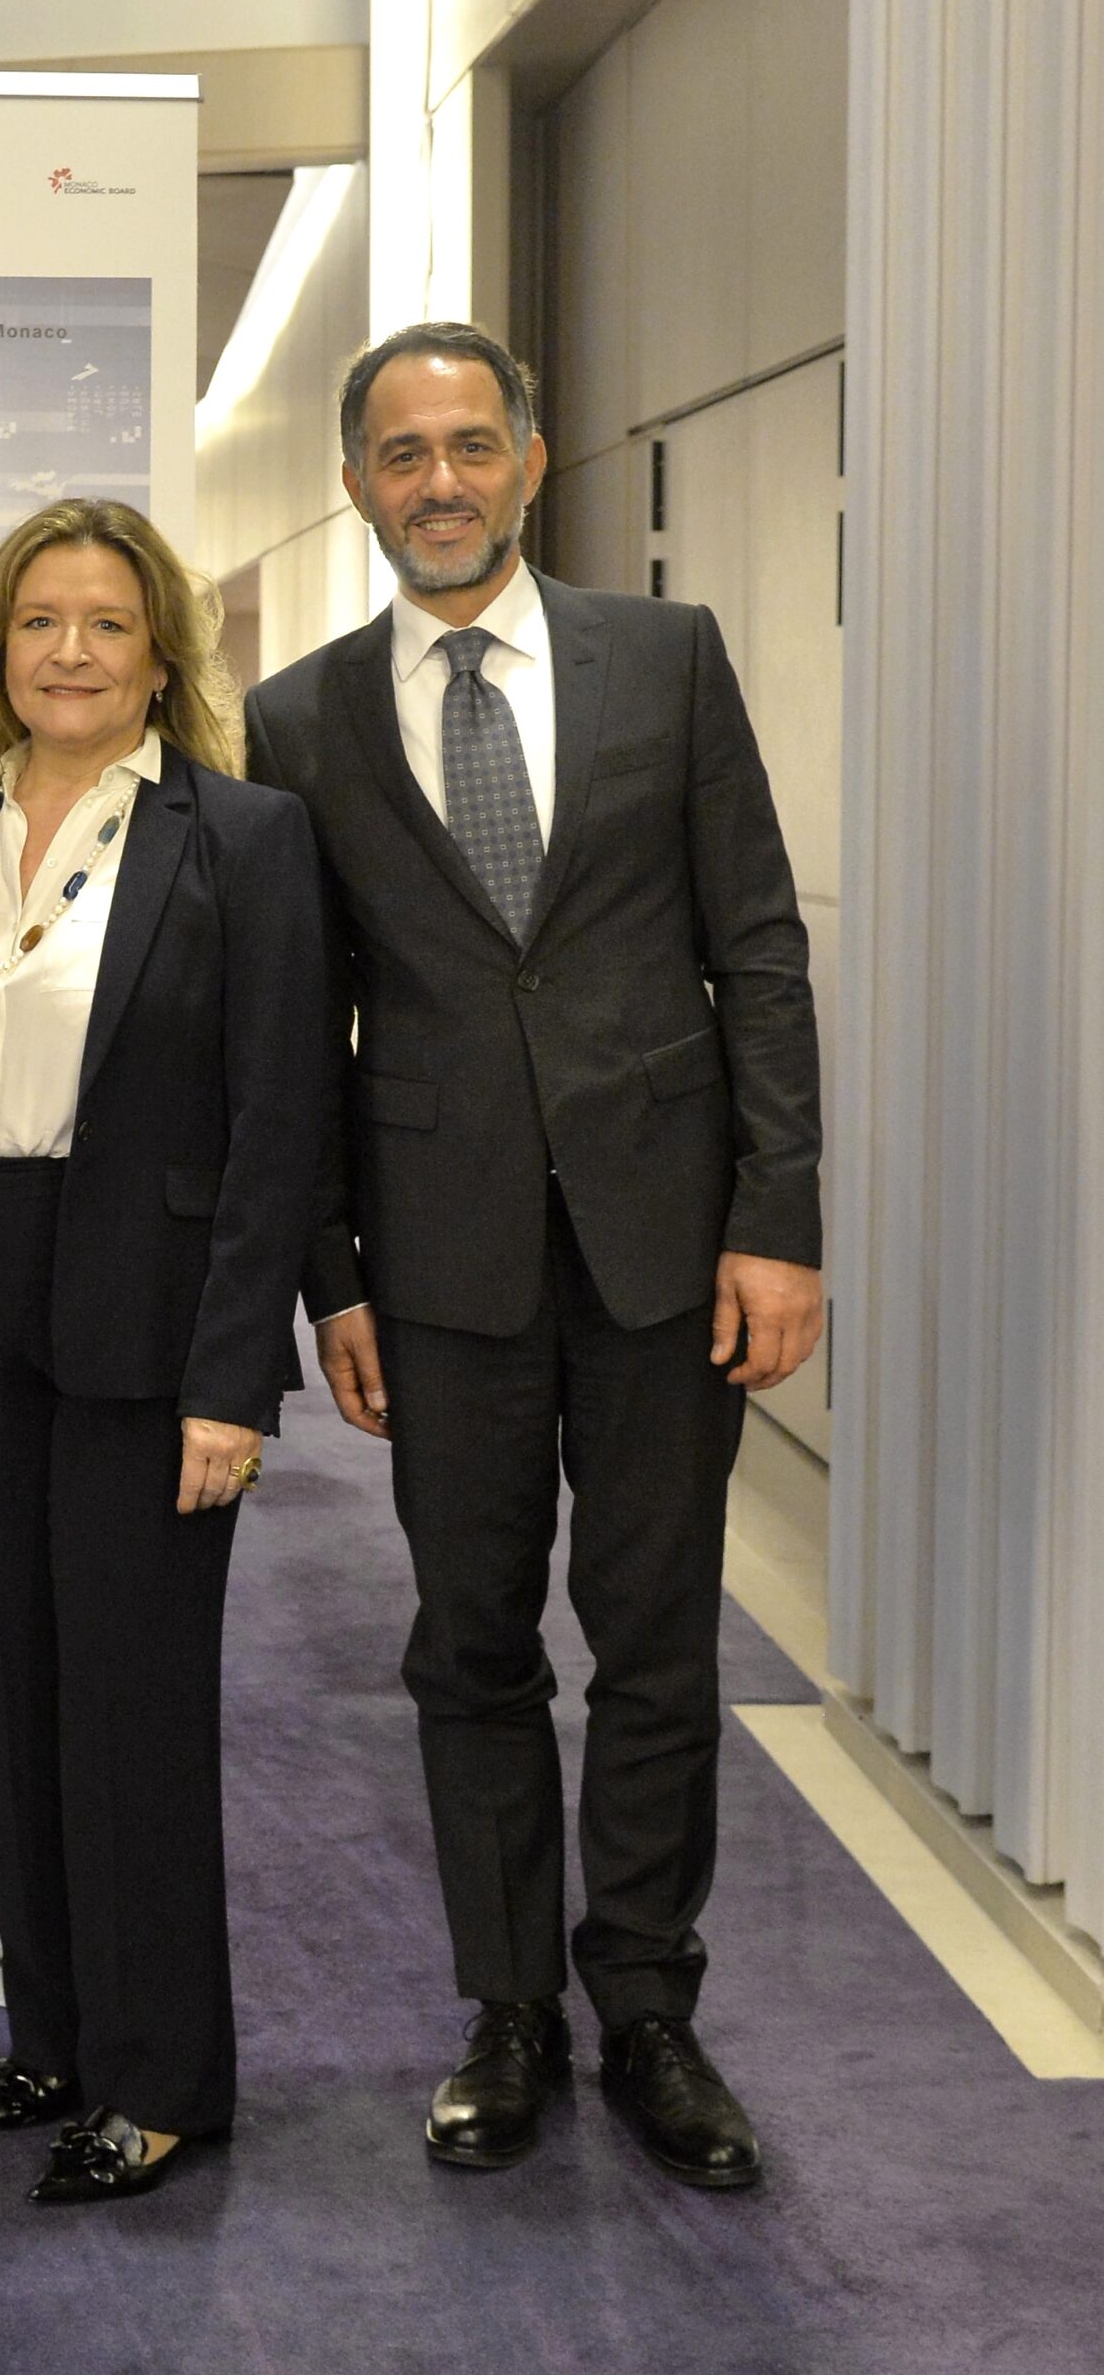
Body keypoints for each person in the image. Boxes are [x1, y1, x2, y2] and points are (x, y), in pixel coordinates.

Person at [244, 321, 823, 2189]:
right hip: (441, 1265)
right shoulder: (299, 720)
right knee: (470, 1648)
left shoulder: (665, 659)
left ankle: (646, 2007)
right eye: (402, 453)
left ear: (529, 458)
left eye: (470, 445)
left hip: (665, 1246)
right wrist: (332, 1277)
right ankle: (506, 2012)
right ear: (355, 482)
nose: (440, 482)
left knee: (654, 1641)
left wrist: (776, 1223)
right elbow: (298, 1028)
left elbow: (757, 949)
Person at [0, 497, 325, 2206]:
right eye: (40, 621)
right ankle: (53, 2035)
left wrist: (230, 1382)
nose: (70, 652)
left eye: (107, 623)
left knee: (133, 1702)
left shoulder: (241, 836)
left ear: (159, 656)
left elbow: (278, 1121)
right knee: (25, 1678)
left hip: (143, 1307)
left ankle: (161, 2076)